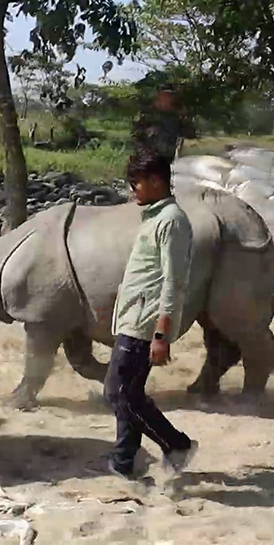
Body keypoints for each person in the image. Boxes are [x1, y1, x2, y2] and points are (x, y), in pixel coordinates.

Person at [104, 149, 198, 479]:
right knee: (127, 394)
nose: (132, 192)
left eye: (136, 184)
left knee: (118, 393)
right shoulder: (155, 218)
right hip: (134, 318)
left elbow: (175, 283)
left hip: (145, 325)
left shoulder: (171, 222)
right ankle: (123, 462)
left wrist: (161, 334)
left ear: (156, 181)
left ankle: (176, 444)